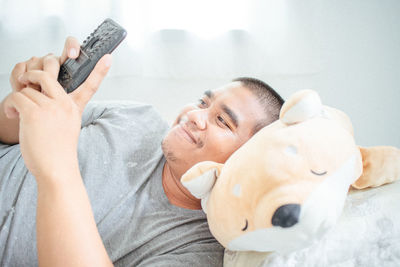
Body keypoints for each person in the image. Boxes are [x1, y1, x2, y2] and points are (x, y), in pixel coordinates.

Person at [0, 37, 284, 266]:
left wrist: (57, 167)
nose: (195, 116)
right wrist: (28, 100)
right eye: (202, 102)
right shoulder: (137, 115)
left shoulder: (197, 250)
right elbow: (5, 131)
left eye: (222, 121)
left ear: (247, 161)